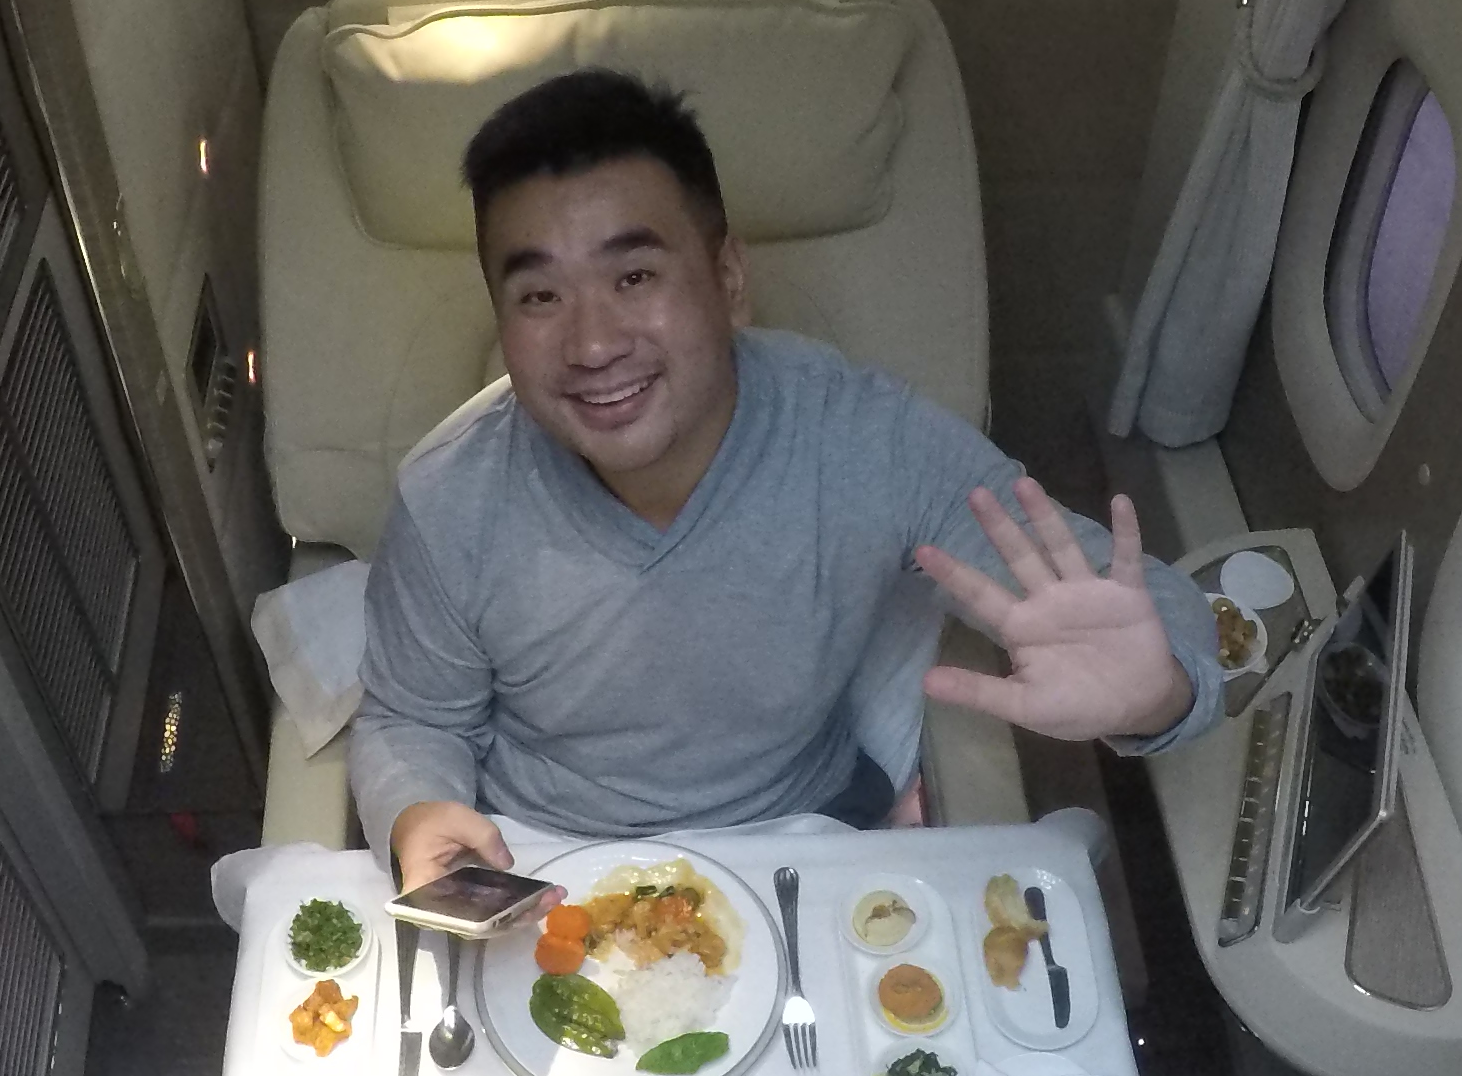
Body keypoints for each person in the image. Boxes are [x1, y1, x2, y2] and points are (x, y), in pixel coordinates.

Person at [352, 68, 1225, 893]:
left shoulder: (864, 439)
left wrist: (1160, 693)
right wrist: (416, 808)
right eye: (540, 297)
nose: (592, 344)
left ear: (729, 280)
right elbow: (411, 717)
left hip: (796, 846)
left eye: (635, 276)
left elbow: (1143, 608)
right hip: (547, 859)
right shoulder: (451, 496)